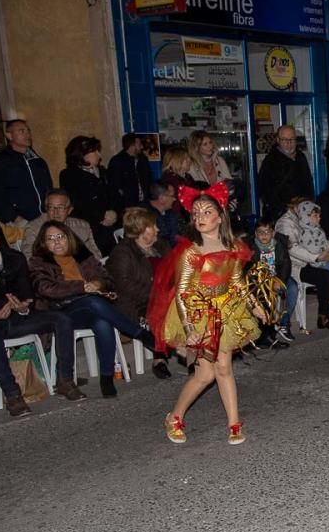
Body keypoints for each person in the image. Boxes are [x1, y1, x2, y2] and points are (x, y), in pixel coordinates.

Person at [148, 183, 266, 444]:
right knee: (205, 375)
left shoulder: (233, 246)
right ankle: (175, 416)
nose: (199, 218)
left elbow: (237, 281)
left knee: (224, 368)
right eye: (196, 213)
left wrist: (254, 304)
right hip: (197, 312)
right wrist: (190, 329)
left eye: (206, 212)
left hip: (225, 310)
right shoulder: (191, 252)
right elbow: (180, 293)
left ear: (220, 215)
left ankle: (234, 424)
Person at [0, 221, 87, 417]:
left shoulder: (14, 259)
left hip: (14, 318)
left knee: (61, 319)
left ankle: (65, 380)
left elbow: (27, 293)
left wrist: (23, 307)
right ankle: (13, 395)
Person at [29, 220, 153, 398]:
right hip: (59, 312)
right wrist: (81, 287)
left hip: (88, 308)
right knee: (93, 302)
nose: (57, 242)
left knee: (102, 322)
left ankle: (107, 378)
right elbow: (45, 289)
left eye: (60, 237)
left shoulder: (82, 255)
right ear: (44, 243)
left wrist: (98, 283)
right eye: (50, 238)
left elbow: (107, 278)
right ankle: (140, 334)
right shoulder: (39, 262)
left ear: (68, 238)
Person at [106, 208, 173, 379]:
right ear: (141, 230)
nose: (157, 229)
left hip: (164, 297)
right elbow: (124, 287)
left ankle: (190, 354)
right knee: (162, 311)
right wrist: (156, 294)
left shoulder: (161, 246)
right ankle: (161, 358)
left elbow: (175, 272)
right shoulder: (122, 253)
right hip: (135, 303)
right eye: (153, 226)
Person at [275, 196, 329, 329]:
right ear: (296, 207)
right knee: (325, 276)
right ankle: (324, 316)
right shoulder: (285, 223)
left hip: (307, 261)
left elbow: (318, 238)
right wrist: (316, 257)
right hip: (293, 266)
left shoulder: (302, 219)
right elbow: (292, 248)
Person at [0, 119, 53, 223]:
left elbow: (48, 189)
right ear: (9, 136)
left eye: (28, 131)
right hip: (16, 222)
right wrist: (14, 217)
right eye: (21, 131)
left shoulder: (38, 162)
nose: (27, 134)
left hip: (43, 218)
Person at [59, 136, 119, 256]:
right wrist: (101, 216)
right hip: (89, 228)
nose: (99, 155)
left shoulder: (102, 172)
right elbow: (76, 203)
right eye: (95, 151)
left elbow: (115, 195)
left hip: (110, 225)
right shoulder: (69, 175)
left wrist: (114, 212)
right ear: (82, 155)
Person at [249, 218, 295, 347]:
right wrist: (263, 283)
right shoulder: (251, 247)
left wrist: (280, 280)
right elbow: (247, 270)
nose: (264, 235)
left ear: (273, 233)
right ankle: (267, 336)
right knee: (265, 296)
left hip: (278, 276)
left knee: (292, 288)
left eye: (267, 232)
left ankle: (284, 323)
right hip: (258, 280)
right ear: (255, 234)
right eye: (260, 232)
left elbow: (286, 264)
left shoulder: (279, 245)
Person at [21, 189, 102, 259]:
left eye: (60, 207)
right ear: (46, 208)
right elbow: (29, 257)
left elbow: (95, 255)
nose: (56, 212)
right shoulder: (33, 228)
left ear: (69, 210)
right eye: (51, 207)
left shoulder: (82, 226)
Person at [257, 125, 316, 220]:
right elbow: (264, 189)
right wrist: (283, 207)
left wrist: (309, 204)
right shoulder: (270, 161)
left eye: (292, 139)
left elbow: (308, 184)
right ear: (278, 140)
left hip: (302, 211)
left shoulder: (301, 157)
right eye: (285, 140)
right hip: (280, 214)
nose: (289, 143)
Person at [107, 133, 151, 209]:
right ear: (132, 145)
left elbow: (148, 179)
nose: (142, 147)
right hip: (128, 205)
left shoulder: (142, 160)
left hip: (144, 203)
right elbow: (115, 185)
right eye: (139, 144)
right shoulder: (117, 161)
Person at [140, 181, 181, 247]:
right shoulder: (143, 216)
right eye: (172, 196)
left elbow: (175, 236)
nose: (174, 199)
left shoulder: (169, 213)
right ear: (162, 198)